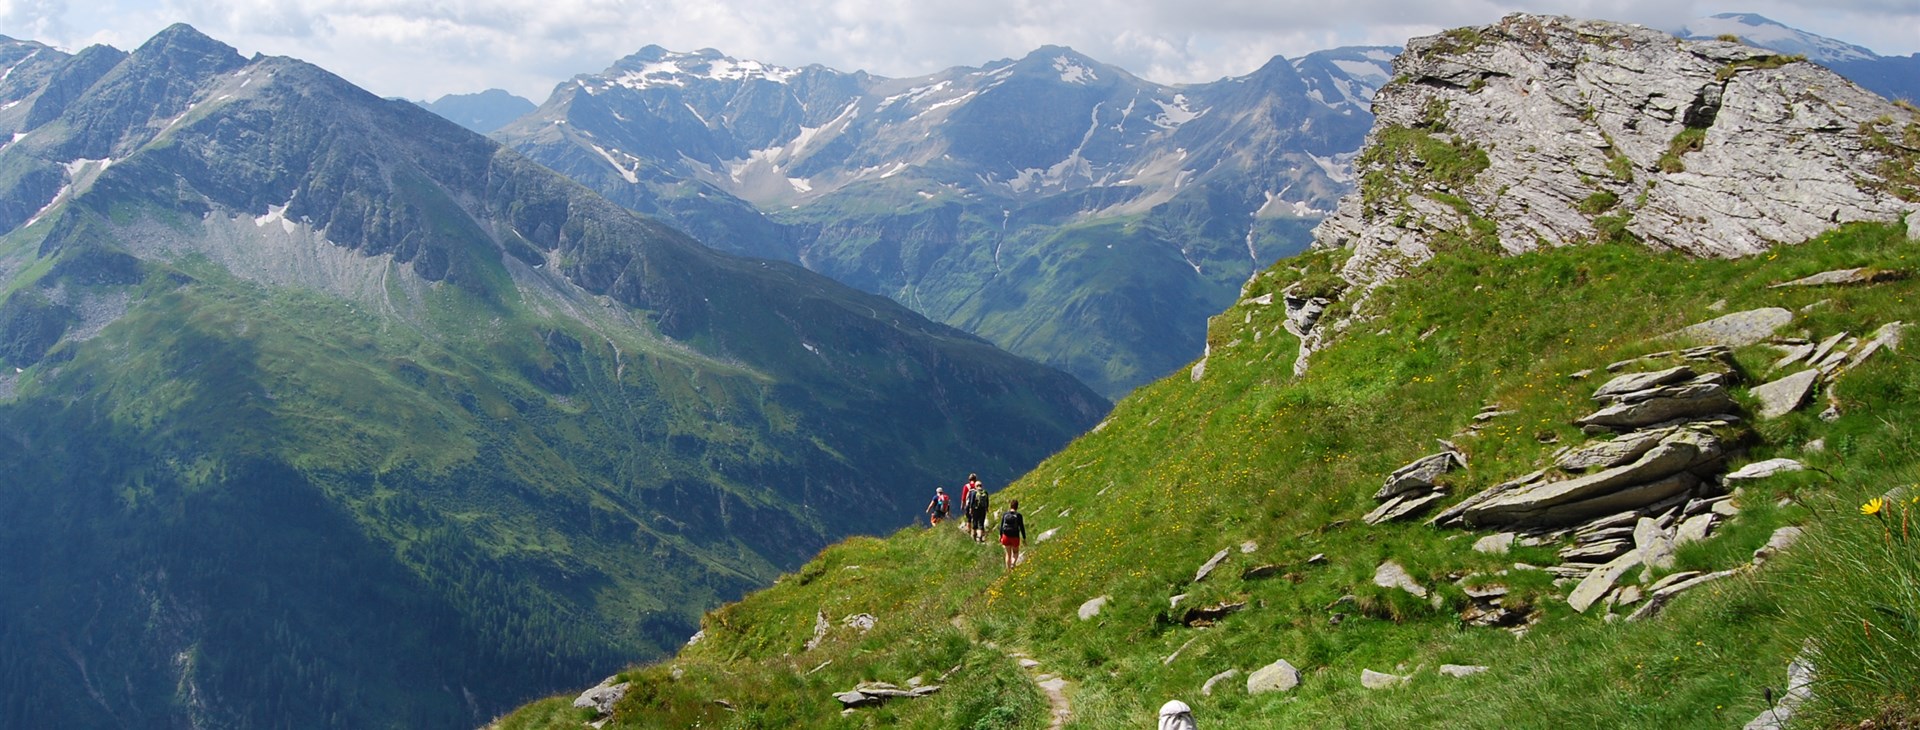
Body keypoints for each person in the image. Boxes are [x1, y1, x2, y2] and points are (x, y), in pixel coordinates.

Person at [999, 499, 1027, 568]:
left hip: (1006, 536)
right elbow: (1022, 527)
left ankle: (1008, 571)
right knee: (1015, 552)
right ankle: (1013, 563)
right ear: (1017, 507)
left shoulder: (1005, 514)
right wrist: (1024, 538)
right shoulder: (1019, 515)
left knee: (1008, 554)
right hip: (1015, 537)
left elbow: (1001, 526)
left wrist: (1001, 536)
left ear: (1010, 506)